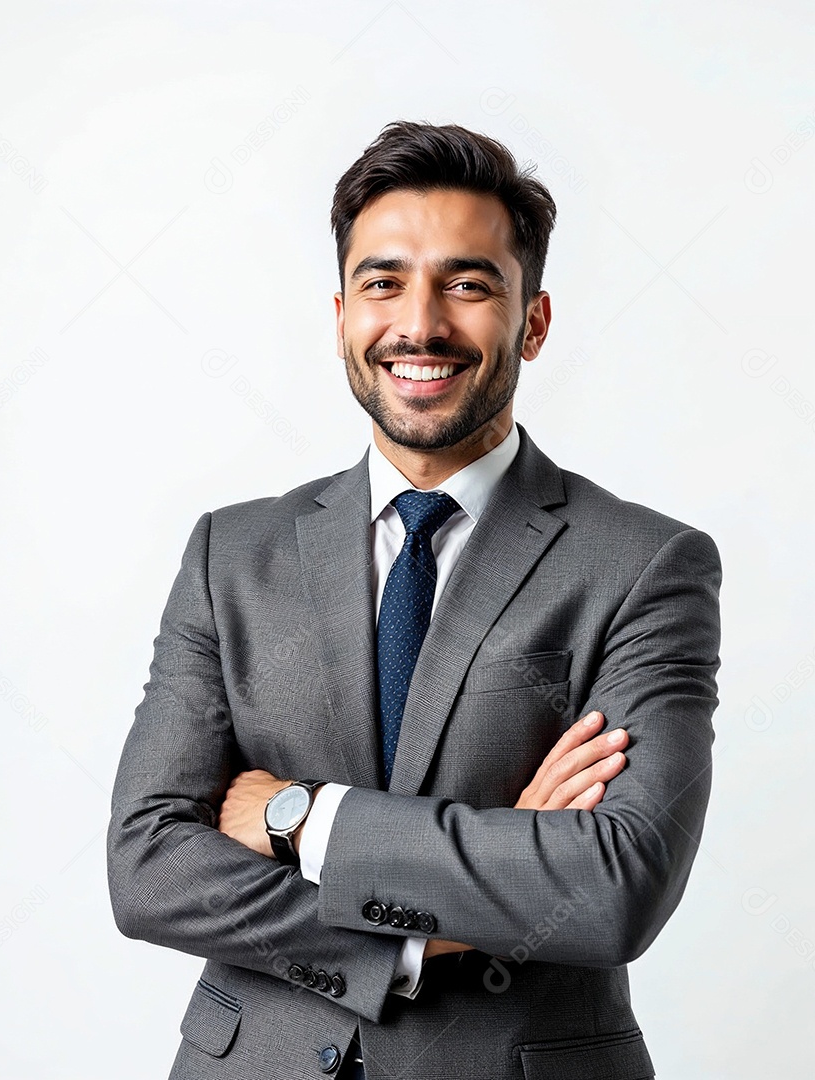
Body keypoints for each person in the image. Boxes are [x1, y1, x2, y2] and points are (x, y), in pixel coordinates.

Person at [107, 121, 721, 1080]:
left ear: (534, 321)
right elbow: (149, 869)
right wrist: (426, 932)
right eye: (383, 282)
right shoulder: (233, 552)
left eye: (468, 284)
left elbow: (614, 886)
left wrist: (302, 820)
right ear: (343, 311)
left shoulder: (646, 564)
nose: (420, 324)